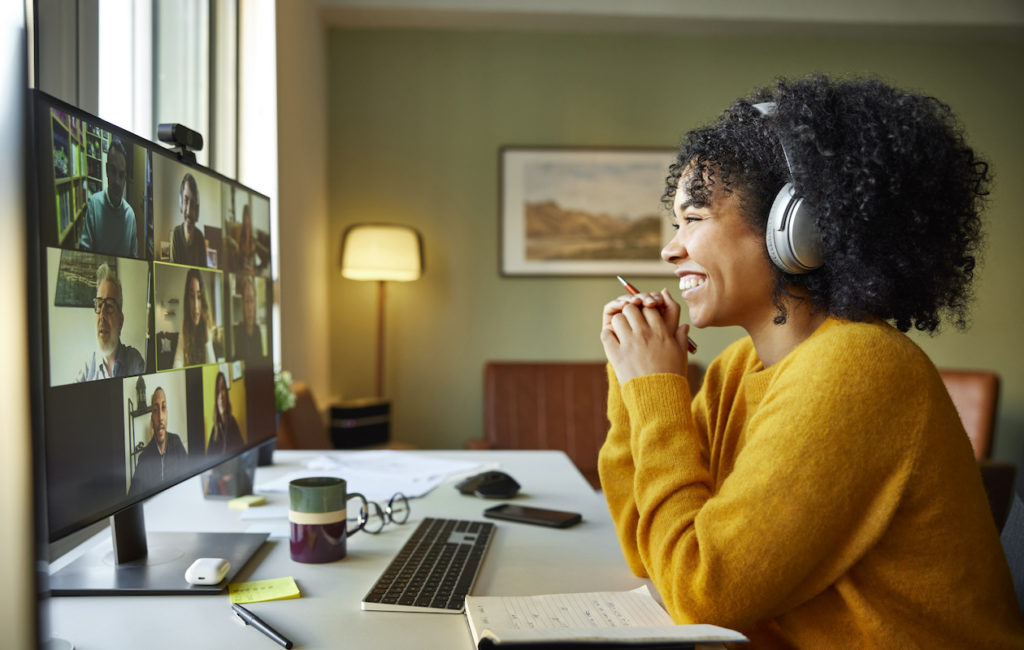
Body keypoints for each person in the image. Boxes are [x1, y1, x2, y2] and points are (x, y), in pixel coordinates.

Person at [597, 75, 1024, 647]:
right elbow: (649, 552)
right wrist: (635, 386)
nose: (671, 248)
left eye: (694, 220)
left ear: (798, 229)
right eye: (677, 224)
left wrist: (655, 389)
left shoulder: (858, 368)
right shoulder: (736, 370)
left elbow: (703, 592)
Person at [75, 263, 145, 382]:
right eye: (99, 304)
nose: (102, 315)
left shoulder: (134, 361)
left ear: (120, 322)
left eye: (109, 306)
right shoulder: (86, 368)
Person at [79, 136, 137, 256]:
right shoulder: (94, 205)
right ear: (106, 170)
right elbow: (84, 252)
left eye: (121, 175)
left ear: (125, 178)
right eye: (113, 171)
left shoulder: (130, 216)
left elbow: (134, 259)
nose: (117, 181)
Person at [129, 387, 187, 495]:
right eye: (156, 410)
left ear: (167, 414)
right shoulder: (144, 458)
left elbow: (189, 482)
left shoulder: (177, 443)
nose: (160, 417)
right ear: (152, 418)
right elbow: (131, 499)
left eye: (163, 408)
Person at [173, 268, 216, 367]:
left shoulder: (209, 326)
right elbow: (178, 359)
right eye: (192, 296)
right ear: (187, 299)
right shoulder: (185, 324)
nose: (195, 306)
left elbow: (213, 368)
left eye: (199, 297)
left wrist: (207, 341)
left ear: (203, 299)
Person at [170, 172, 207, 266]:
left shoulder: (200, 237)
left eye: (193, 203)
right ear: (181, 203)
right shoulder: (176, 234)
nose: (189, 211)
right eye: (186, 201)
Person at [207, 371, 244, 456]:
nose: (221, 396)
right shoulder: (214, 430)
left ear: (227, 394)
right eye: (218, 391)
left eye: (223, 388)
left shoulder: (233, 423)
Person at [233, 275, 263, 361]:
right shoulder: (239, 331)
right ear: (242, 304)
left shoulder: (257, 330)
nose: (250, 307)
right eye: (247, 301)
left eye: (252, 301)